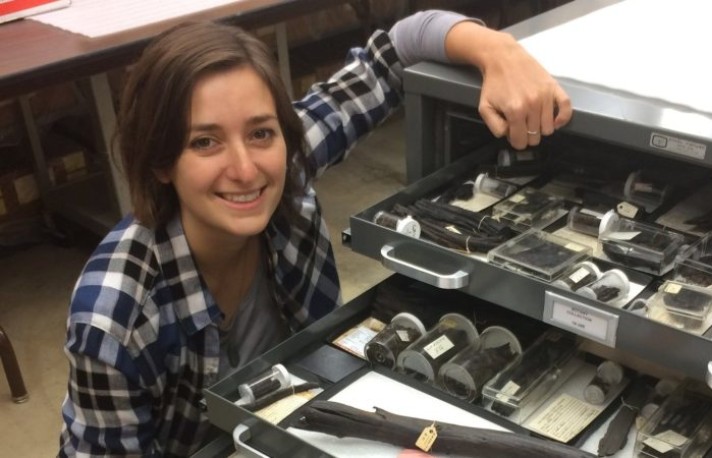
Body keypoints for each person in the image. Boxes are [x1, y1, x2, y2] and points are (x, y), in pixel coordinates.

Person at [57, 9, 572, 457]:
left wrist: (498, 50)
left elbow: (395, 51)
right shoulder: (115, 316)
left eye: (261, 132)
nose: (245, 169)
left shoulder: (284, 170)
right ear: (160, 160)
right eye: (205, 142)